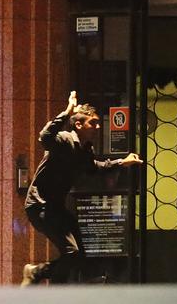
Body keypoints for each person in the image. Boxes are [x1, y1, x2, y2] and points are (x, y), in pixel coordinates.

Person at [21, 91, 143, 286]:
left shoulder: (85, 150)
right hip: (40, 206)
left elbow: (95, 168)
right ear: (78, 124)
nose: (97, 126)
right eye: (92, 123)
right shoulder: (64, 140)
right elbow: (44, 136)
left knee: (78, 256)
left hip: (56, 208)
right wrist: (67, 111)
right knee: (72, 252)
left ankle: (54, 291)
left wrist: (122, 162)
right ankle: (35, 271)